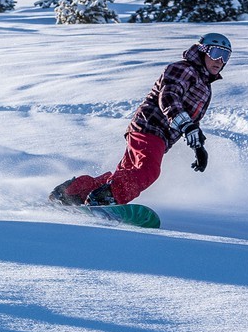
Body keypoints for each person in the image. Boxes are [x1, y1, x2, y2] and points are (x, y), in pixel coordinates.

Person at [51, 32, 232, 207]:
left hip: (156, 134)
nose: (219, 60)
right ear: (201, 52)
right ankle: (105, 199)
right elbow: (169, 97)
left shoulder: (205, 86)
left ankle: (73, 192)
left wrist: (198, 146)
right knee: (148, 171)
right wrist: (187, 125)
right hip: (151, 126)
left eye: (225, 56)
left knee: (126, 174)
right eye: (215, 53)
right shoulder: (184, 69)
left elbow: (192, 120)